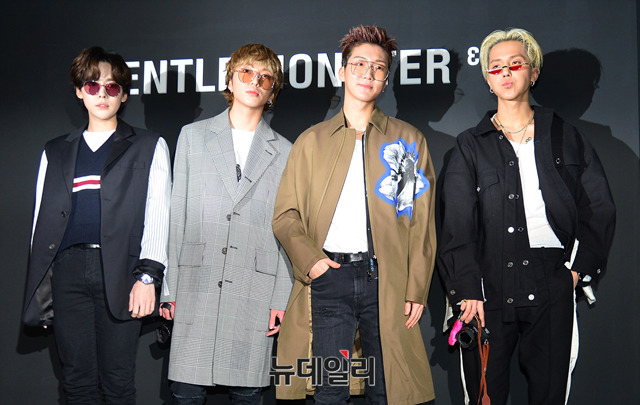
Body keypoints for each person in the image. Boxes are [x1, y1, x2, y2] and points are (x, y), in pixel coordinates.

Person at [437, 28, 616, 405]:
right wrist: (467, 290)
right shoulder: (469, 145)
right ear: (488, 79)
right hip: (488, 285)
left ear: (533, 73)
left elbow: (598, 207)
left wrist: (575, 273)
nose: (505, 72)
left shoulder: (565, 136)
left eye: (515, 64)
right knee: (484, 396)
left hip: (551, 280)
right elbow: (456, 225)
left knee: (551, 394)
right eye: (496, 67)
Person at [272, 25, 437, 405]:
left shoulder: (408, 141)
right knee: (329, 392)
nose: (368, 73)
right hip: (329, 278)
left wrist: (416, 287)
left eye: (378, 67)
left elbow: (421, 223)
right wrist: (314, 263)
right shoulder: (311, 141)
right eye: (359, 64)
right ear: (342, 71)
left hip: (387, 280)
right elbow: (286, 215)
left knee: (388, 390)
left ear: (386, 80)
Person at [23, 46, 172, 404]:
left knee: (118, 382)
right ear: (79, 91)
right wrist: (43, 290)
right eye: (92, 86)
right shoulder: (55, 151)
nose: (102, 94)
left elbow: (159, 214)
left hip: (122, 271)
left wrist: (148, 277)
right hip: (68, 272)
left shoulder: (149, 145)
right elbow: (41, 225)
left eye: (112, 87)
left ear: (124, 95)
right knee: (76, 382)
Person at [160, 43, 293, 405]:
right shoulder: (193, 137)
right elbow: (177, 215)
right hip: (196, 283)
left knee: (247, 393)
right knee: (186, 392)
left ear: (272, 91)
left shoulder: (286, 151)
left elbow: (287, 229)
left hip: (254, 286)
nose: (255, 82)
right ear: (230, 81)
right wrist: (169, 288)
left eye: (265, 77)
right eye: (246, 72)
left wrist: (281, 297)